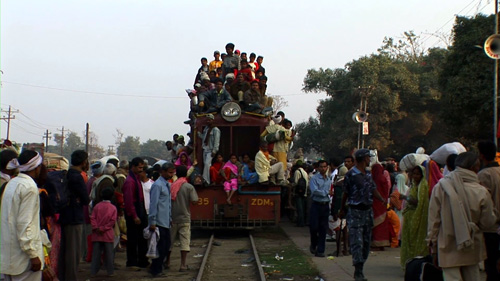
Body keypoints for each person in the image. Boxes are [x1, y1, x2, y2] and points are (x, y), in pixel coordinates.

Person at [427, 152, 497, 281]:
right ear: (475, 168)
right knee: (472, 276)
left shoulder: (441, 187)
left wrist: (432, 245)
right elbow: (488, 223)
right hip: (471, 244)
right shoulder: (481, 191)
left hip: (446, 244)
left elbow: (434, 220)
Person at [341, 149, 385, 281]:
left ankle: (361, 264)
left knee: (366, 242)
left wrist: (381, 199)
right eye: (367, 157)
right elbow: (345, 193)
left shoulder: (368, 174)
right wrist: (341, 208)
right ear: (362, 158)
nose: (369, 160)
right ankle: (358, 270)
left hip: (367, 211)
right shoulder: (351, 175)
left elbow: (372, 188)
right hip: (355, 211)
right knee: (357, 242)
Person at [0, 150, 44, 281]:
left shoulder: (11, 183)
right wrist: (33, 254)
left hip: (8, 257)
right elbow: (24, 223)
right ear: (36, 168)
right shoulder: (29, 187)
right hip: (23, 259)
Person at [58, 150, 90, 281]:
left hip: (65, 216)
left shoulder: (67, 174)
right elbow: (85, 199)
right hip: (74, 218)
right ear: (84, 162)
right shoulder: (77, 177)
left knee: (65, 252)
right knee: (73, 253)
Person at [167, 165, 198, 272]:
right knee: (184, 241)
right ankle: (183, 265)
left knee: (169, 241)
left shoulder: (171, 186)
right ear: (186, 174)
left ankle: (167, 262)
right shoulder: (189, 187)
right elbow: (194, 201)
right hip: (184, 217)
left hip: (171, 218)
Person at [477, 140, 500, 281]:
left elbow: (482, 202)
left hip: (491, 226)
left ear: (482, 155)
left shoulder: (484, 175)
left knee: (491, 264)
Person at [399, 165, 429, 269]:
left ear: (422, 175)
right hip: (409, 216)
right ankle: (409, 264)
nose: (415, 176)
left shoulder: (423, 186)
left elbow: (418, 202)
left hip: (417, 216)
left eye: (417, 174)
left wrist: (405, 197)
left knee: (415, 241)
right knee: (408, 240)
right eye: (414, 174)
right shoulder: (414, 185)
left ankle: (415, 265)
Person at [148, 162, 175, 277]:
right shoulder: (157, 185)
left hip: (165, 221)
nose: (171, 175)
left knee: (166, 245)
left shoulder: (166, 185)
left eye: (172, 172)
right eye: (169, 172)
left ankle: (157, 267)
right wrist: (152, 221)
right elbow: (153, 204)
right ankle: (155, 269)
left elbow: (167, 204)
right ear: (162, 172)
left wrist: (169, 218)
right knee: (161, 246)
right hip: (159, 221)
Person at [122, 157, 149, 270]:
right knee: (133, 239)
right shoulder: (130, 182)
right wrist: (134, 216)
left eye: (142, 168)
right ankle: (132, 262)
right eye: (139, 167)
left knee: (141, 238)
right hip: (134, 213)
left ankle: (142, 260)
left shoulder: (137, 179)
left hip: (140, 210)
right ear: (133, 167)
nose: (140, 170)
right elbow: (129, 201)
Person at [90, 187, 117, 277]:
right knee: (109, 254)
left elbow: (92, 217)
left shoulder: (97, 206)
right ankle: (110, 271)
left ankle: (93, 271)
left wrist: (97, 228)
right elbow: (112, 221)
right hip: (107, 234)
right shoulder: (113, 208)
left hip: (96, 233)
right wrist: (104, 228)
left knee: (96, 254)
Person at [308, 160, 331, 258]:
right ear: (318, 168)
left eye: (325, 167)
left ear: (327, 167)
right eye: (321, 167)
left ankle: (320, 250)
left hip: (325, 205)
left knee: (323, 228)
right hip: (316, 205)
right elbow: (315, 191)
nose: (323, 169)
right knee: (314, 227)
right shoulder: (314, 179)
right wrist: (327, 192)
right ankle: (314, 244)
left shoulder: (328, 179)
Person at [370, 164, 391, 249]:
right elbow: (387, 190)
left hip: (375, 203)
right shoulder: (383, 178)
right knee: (382, 224)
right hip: (383, 203)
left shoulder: (372, 179)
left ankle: (375, 243)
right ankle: (382, 243)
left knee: (375, 224)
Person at [198, 113, 220, 184]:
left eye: (209, 120)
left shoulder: (215, 130)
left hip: (211, 150)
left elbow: (217, 141)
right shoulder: (206, 129)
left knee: (207, 164)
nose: (208, 121)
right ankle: (207, 179)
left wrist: (214, 150)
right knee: (206, 164)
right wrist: (198, 133)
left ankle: (206, 180)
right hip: (205, 148)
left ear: (212, 120)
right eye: (207, 120)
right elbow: (203, 137)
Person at [292, 160, 309, 227]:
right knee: (303, 208)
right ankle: (302, 222)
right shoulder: (305, 172)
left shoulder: (297, 172)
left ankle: (300, 223)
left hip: (298, 192)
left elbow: (296, 182)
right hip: (304, 192)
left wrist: (291, 185)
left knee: (299, 208)